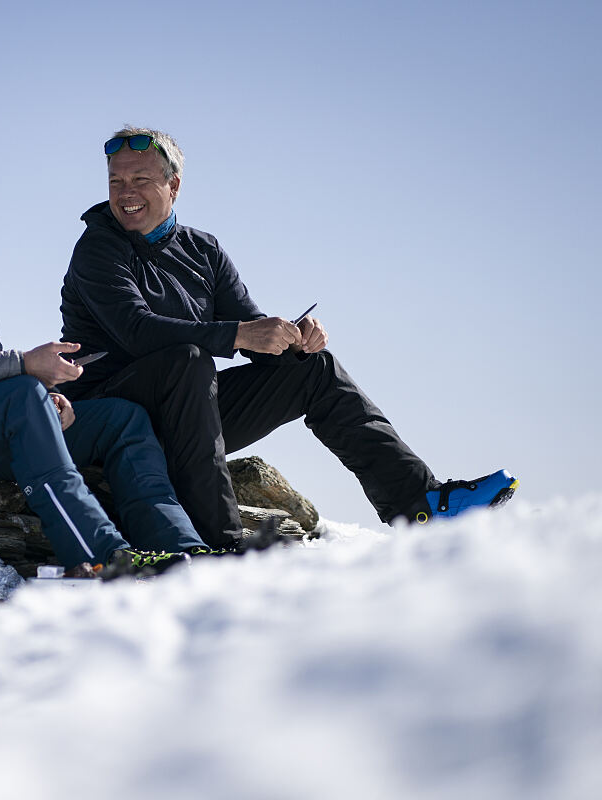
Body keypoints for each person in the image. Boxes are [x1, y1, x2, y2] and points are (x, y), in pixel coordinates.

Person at [59, 125, 517, 549]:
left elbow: (250, 332)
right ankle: (220, 541)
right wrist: (242, 334)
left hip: (188, 411)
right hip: (111, 411)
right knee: (189, 359)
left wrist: (292, 342)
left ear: (173, 186)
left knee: (313, 370)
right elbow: (139, 332)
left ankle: (421, 504)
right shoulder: (98, 247)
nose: (126, 194)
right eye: (116, 182)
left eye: (140, 180)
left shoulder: (204, 250)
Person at [0, 134, 222, 577]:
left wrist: (41, 393)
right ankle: (103, 558)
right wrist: (24, 367)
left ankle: (178, 549)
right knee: (19, 395)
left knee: (120, 419)